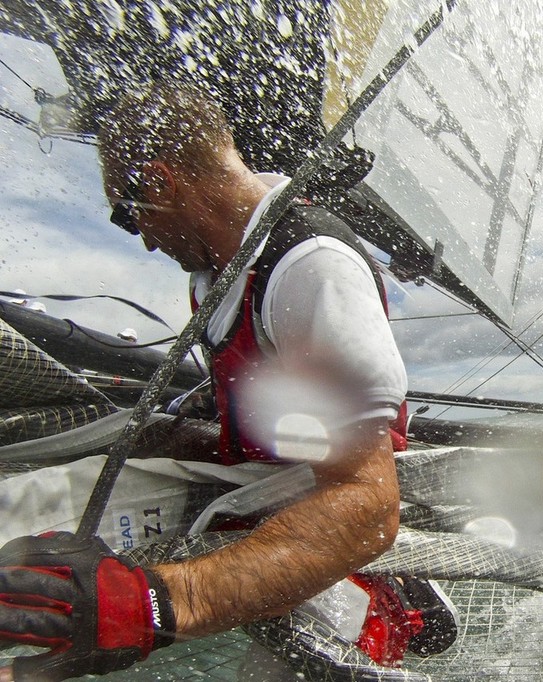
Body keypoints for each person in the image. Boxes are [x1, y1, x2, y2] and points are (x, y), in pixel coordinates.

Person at [0, 82, 453, 682]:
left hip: (328, 513)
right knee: (24, 513)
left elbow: (366, 506)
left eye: (125, 211)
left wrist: (156, 602)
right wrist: (173, 436)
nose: (137, 235)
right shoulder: (213, 273)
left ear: (160, 182)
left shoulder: (311, 268)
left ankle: (396, 598)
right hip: (243, 485)